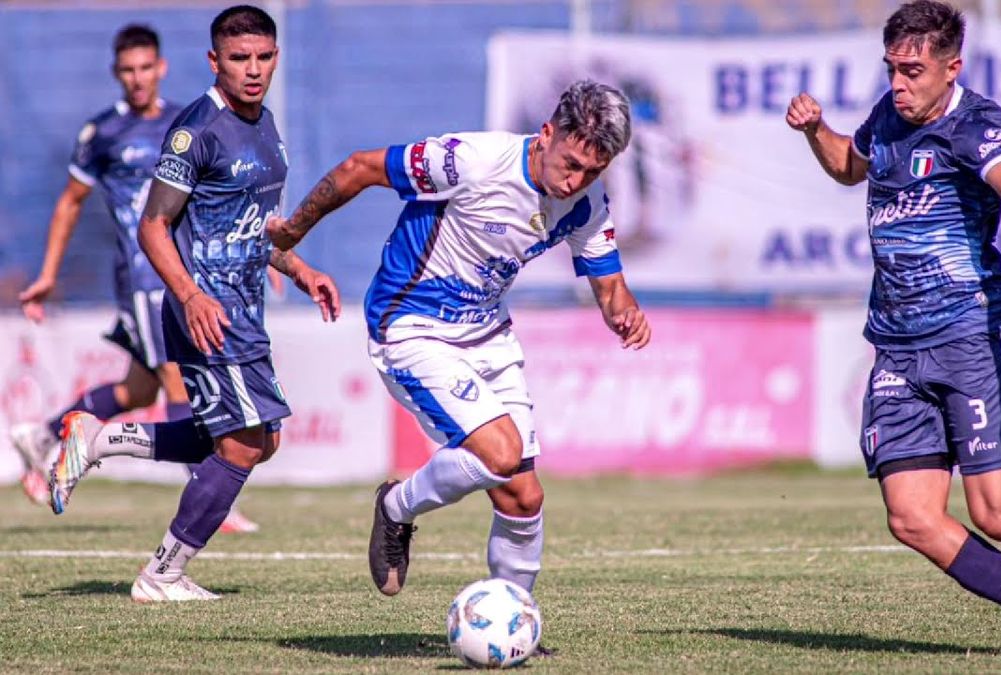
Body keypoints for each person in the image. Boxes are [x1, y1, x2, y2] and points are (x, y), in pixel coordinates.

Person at [785, 0, 1001, 659]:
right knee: (912, 517)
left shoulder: (975, 124)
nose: (899, 83)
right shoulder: (887, 117)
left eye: (913, 71)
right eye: (892, 68)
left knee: (1000, 515)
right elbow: (847, 165)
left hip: (969, 339)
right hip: (896, 347)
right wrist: (816, 131)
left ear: (951, 68)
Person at [267, 80, 649, 609]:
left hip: (487, 335)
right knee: (500, 452)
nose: (576, 180)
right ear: (546, 135)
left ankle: (515, 621)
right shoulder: (472, 161)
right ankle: (397, 506)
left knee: (523, 496)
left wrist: (624, 315)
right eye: (571, 163)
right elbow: (360, 167)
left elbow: (611, 289)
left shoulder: (586, 202)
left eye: (594, 171)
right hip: (411, 326)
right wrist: (292, 233)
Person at [46, 5, 340, 602]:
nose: (252, 69)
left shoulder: (266, 123)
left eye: (262, 57)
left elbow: (249, 223)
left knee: (256, 440)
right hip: (204, 308)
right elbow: (153, 226)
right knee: (242, 444)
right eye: (238, 58)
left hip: (243, 305)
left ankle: (97, 440)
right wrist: (190, 294)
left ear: (275, 58)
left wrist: (300, 267)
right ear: (215, 61)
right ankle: (163, 574)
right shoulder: (196, 130)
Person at [9, 24, 259, 534]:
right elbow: (69, 203)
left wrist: (258, 254)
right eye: (128, 70)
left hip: (184, 270)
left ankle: (45, 438)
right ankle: (208, 492)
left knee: (137, 391)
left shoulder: (183, 123)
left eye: (146, 67)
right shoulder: (102, 134)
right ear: (116, 74)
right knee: (176, 378)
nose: (138, 78)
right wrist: (49, 274)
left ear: (161, 68)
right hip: (144, 278)